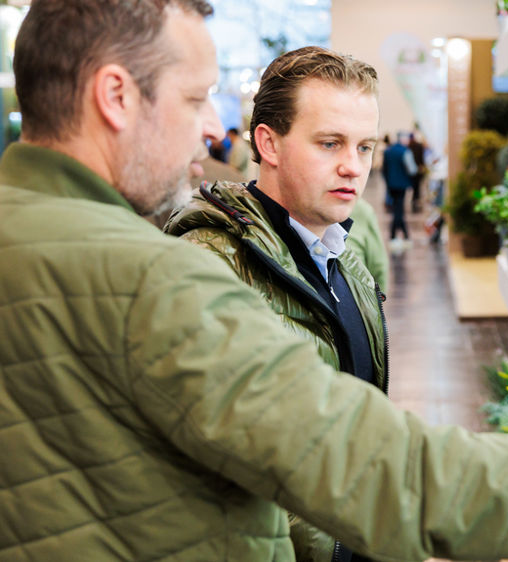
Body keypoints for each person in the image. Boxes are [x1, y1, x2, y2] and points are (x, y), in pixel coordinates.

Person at [0, 1, 508, 561]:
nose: (214, 129)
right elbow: (385, 467)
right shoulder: (161, 278)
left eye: (365, 144)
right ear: (113, 95)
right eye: (196, 97)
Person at [163, 48, 390, 561]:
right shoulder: (208, 265)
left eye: (365, 147)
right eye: (330, 143)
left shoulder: (345, 258)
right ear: (269, 143)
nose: (352, 167)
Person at [381, 131, 417, 250]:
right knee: (399, 211)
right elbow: (412, 169)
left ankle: (404, 235)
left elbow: (384, 169)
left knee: (397, 208)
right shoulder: (405, 152)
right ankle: (395, 235)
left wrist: (388, 181)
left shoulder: (388, 151)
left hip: (391, 185)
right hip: (402, 185)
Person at [407, 130, 427, 212]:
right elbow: (422, 158)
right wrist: (422, 166)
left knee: (414, 185)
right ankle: (416, 199)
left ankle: (414, 199)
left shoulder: (408, 147)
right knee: (417, 185)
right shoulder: (419, 146)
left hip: (412, 170)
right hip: (418, 168)